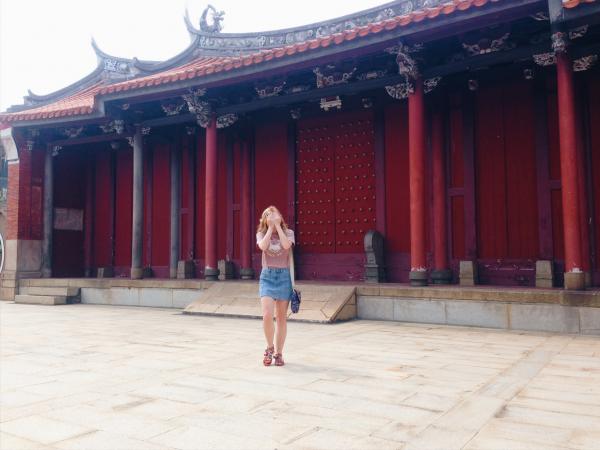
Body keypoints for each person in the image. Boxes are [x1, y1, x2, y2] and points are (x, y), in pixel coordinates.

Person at [256, 205, 295, 366]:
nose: (271, 217)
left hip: (284, 276)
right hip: (267, 276)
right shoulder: (261, 234)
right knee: (266, 315)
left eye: (274, 214)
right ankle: (269, 347)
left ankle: (279, 353)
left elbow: (286, 246)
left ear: (280, 216)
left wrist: (278, 226)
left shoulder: (289, 233)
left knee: (281, 318)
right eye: (267, 215)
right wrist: (270, 227)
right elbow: (263, 247)